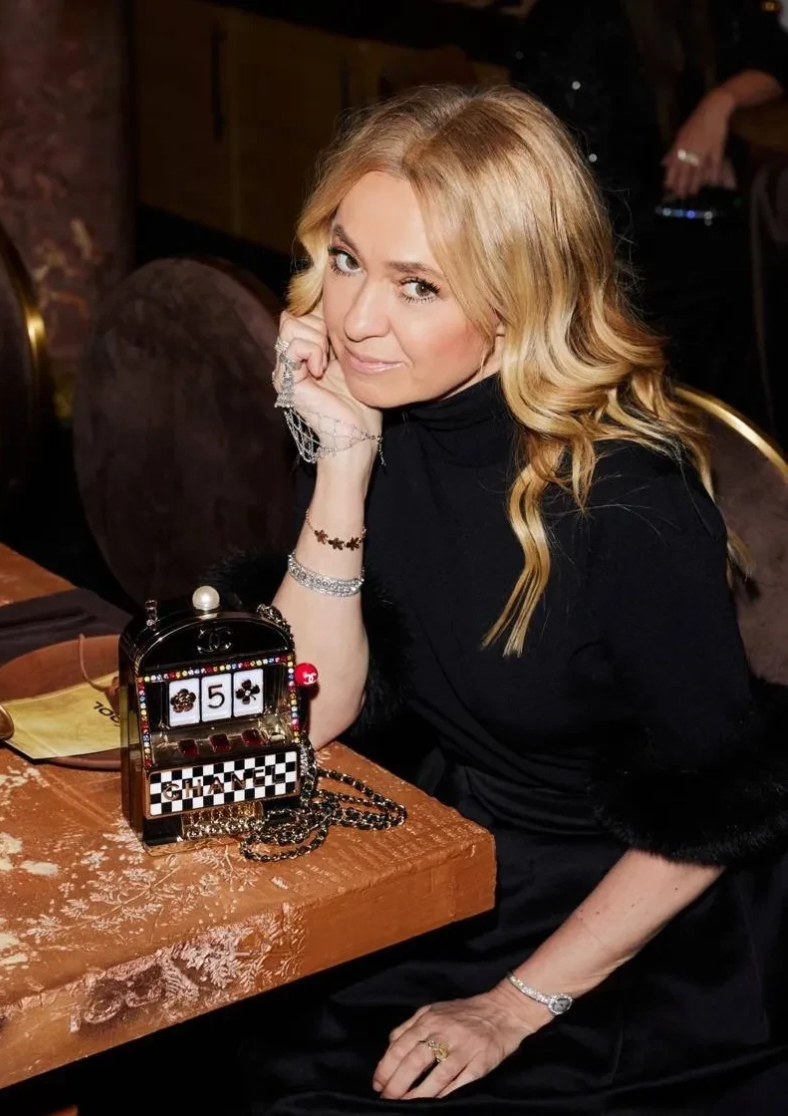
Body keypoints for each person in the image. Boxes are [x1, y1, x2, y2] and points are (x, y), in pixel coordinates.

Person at [210, 86, 788, 1114]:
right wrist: (340, 464)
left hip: (637, 924)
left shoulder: (630, 505)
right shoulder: (370, 416)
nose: (355, 319)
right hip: (463, 858)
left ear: (519, 298)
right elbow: (313, 712)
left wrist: (515, 1005)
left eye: (418, 286)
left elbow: (712, 815)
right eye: (345, 259)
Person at [509, 0, 788, 427]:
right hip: (607, 258)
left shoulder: (704, 11)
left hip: (682, 240)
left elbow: (777, 55)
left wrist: (719, 104)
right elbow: (575, 184)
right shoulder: (572, 20)